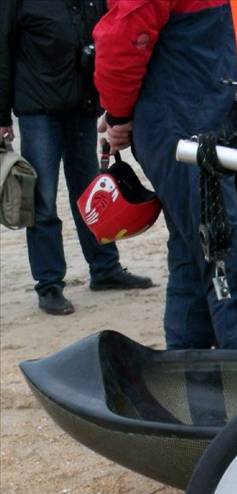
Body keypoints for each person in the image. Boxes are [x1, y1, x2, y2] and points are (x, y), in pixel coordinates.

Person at [94, 0, 237, 349]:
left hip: (210, 112)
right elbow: (121, 41)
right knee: (225, 247)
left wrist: (120, 115)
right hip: (180, 123)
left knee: (192, 252)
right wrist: (119, 115)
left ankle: (189, 367)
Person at [1, 0, 153, 316]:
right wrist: (1, 116)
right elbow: (2, 49)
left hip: (83, 104)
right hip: (39, 109)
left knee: (91, 195)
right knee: (42, 201)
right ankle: (49, 284)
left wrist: (112, 103)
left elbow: (108, 37)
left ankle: (105, 268)